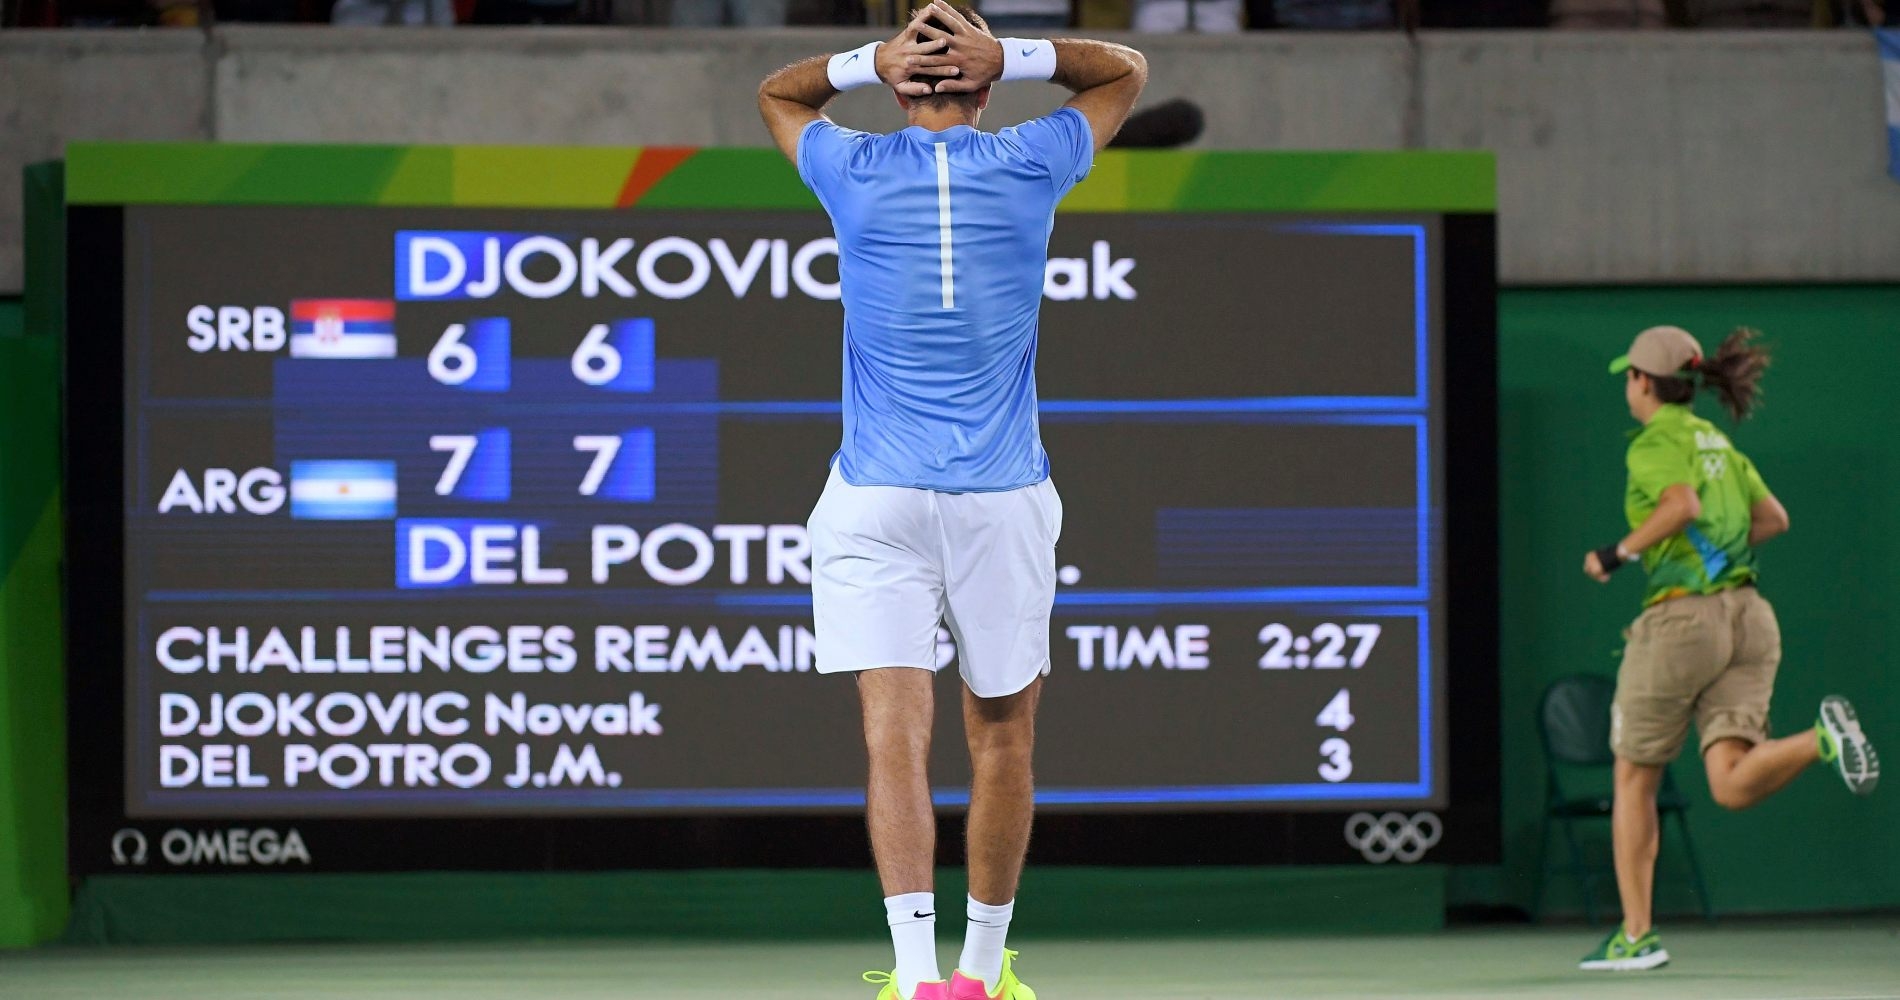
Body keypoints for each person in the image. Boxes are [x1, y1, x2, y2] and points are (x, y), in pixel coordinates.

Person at [757, 5, 1145, 998]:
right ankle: (979, 972)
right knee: (1003, 733)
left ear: (896, 86)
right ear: (985, 85)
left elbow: (778, 91)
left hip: (872, 497)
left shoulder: (847, 166)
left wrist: (867, 60)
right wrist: (1016, 54)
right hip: (1000, 499)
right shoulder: (1034, 157)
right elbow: (1122, 74)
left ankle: (916, 973)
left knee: (894, 730)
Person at [1577, 325, 1880, 972]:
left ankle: (1636, 936)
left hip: (1681, 625)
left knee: (1634, 777)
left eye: (1628, 377)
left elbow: (1681, 505)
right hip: (1750, 620)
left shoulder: (1655, 442)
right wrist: (1720, 562)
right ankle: (1818, 741)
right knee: (1731, 783)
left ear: (1642, 383)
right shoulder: (1717, 441)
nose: (1626, 388)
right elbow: (1774, 519)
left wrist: (1617, 553)